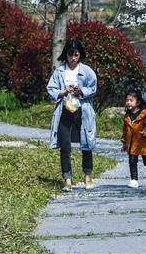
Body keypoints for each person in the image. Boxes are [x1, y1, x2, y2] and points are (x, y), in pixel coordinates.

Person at [47, 38, 98, 191]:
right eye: (71, 54)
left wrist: (80, 91)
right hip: (64, 111)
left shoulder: (87, 71)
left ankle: (88, 176)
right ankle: (67, 179)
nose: (73, 58)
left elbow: (93, 87)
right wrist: (63, 92)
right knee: (65, 145)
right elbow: (51, 88)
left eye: (76, 55)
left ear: (80, 55)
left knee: (86, 144)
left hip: (82, 111)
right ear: (66, 55)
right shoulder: (60, 70)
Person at [121, 89, 146, 188]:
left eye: (131, 100)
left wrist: (145, 132)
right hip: (132, 144)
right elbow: (125, 130)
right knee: (132, 161)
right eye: (127, 100)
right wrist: (124, 142)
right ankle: (134, 179)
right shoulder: (127, 115)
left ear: (138, 102)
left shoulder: (145, 114)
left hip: (143, 143)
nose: (128, 103)